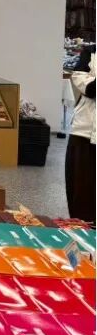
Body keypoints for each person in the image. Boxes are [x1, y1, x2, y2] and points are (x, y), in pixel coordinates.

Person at [66, 44, 95, 221]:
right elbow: (89, 89)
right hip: (84, 131)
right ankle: (83, 229)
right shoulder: (90, 53)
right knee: (81, 187)